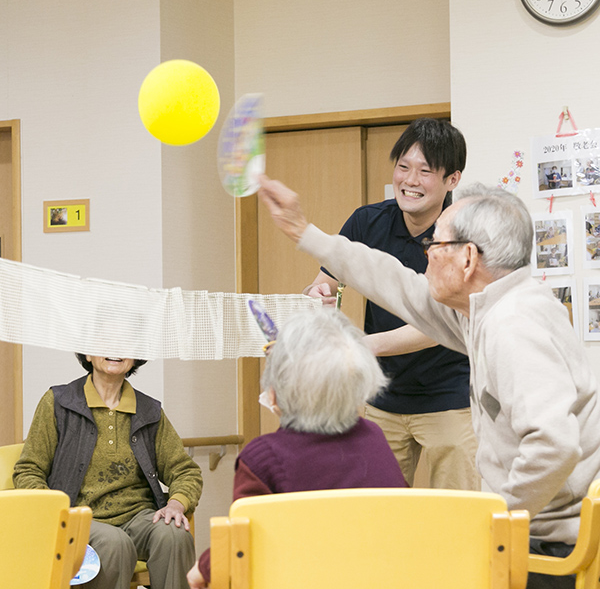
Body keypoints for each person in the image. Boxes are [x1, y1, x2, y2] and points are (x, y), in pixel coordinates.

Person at [258, 177, 600, 589]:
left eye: (434, 247)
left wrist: (495, 518)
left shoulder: (513, 325)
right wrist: (303, 232)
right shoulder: (490, 307)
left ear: (468, 258)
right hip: (536, 535)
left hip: (547, 550)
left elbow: (554, 443)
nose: (426, 259)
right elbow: (396, 282)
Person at [302, 118, 478, 491]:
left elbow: (440, 323)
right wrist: (320, 296)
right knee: (379, 513)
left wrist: (363, 346)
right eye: (403, 167)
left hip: (450, 395)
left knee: (460, 514)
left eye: (425, 171)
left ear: (452, 180)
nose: (410, 181)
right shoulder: (368, 222)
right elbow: (327, 280)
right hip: (382, 396)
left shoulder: (462, 236)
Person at [187, 308, 407, 588]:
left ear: (275, 396)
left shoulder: (262, 457)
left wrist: (202, 569)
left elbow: (243, 543)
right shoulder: (373, 436)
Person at [14, 354, 203, 589]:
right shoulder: (59, 402)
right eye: (106, 341)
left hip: (138, 518)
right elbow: (28, 470)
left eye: (125, 344)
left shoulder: (149, 410)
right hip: (78, 518)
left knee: (174, 534)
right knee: (115, 543)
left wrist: (176, 503)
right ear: (89, 354)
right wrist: (55, 513)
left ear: (135, 358)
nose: (116, 350)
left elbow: (185, 471)